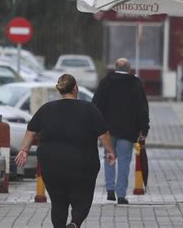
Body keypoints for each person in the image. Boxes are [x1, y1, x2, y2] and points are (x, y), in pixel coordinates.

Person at [15, 74, 115, 228]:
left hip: (51, 165)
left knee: (58, 202)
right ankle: (75, 223)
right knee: (82, 200)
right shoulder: (89, 109)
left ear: (60, 90)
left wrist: (24, 150)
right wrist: (110, 152)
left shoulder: (46, 109)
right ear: (76, 88)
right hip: (82, 166)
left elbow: (31, 129)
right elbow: (104, 134)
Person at [92, 58, 150, 205]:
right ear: (129, 69)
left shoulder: (106, 82)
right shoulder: (136, 84)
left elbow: (96, 104)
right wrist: (144, 129)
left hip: (107, 130)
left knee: (109, 157)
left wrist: (96, 126)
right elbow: (143, 109)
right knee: (124, 161)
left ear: (115, 67)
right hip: (128, 130)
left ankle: (110, 189)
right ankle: (121, 195)